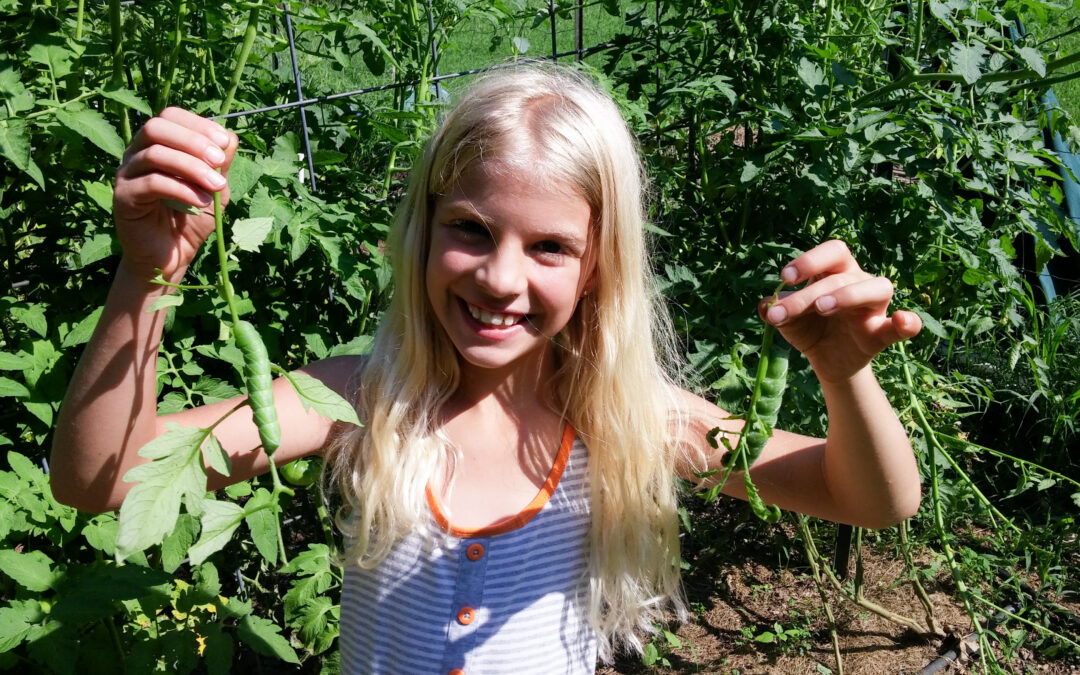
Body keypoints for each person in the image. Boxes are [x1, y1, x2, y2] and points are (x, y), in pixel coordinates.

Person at [50, 65, 922, 672]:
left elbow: (873, 500)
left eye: (549, 246)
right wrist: (145, 279)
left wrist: (845, 373)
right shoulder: (360, 397)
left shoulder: (624, 419)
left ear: (597, 269)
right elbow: (102, 477)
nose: (501, 277)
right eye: (470, 227)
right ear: (422, 230)